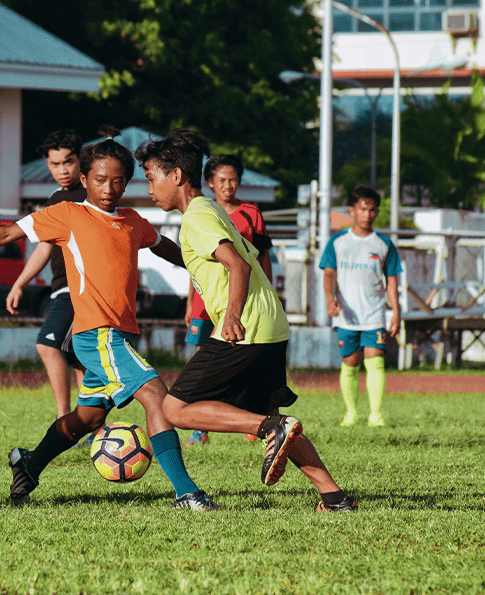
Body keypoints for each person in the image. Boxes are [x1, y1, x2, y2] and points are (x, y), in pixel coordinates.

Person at [0, 127, 219, 511]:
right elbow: (6, 234)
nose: (108, 188)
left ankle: (28, 464)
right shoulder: (68, 214)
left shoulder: (133, 221)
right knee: (156, 396)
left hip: (118, 337)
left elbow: (171, 250)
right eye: (100, 180)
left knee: (85, 419)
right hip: (97, 335)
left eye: (118, 181)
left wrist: (216, 261)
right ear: (84, 179)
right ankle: (186, 493)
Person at [137, 129, 357, 512]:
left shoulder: (196, 218)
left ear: (176, 176)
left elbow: (236, 264)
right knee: (276, 420)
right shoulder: (212, 210)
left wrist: (232, 317)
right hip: (271, 324)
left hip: (245, 327)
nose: (150, 188)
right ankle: (333, 497)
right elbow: (233, 256)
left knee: (174, 408)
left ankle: (268, 429)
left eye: (151, 178)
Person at [183, 154, 273, 446]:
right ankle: (201, 428)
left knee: (241, 359)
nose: (228, 185)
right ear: (210, 182)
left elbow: (261, 257)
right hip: (204, 302)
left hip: (237, 301)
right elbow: (195, 265)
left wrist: (267, 292)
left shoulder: (250, 213)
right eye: (221, 180)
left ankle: (250, 416)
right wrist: (189, 304)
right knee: (201, 361)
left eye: (233, 179)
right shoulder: (202, 213)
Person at [6, 130, 87, 419]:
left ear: (80, 160)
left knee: (47, 344)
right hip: (60, 289)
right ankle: (87, 424)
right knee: (78, 359)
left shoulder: (93, 195)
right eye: (55, 164)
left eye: (68, 162)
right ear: (47, 164)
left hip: (80, 289)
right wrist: (19, 284)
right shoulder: (54, 199)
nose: (62, 170)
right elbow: (43, 247)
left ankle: (64, 420)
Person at [319, 185, 402, 428]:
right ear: (352, 210)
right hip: (346, 315)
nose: (368, 214)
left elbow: (392, 282)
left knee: (375, 361)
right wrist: (329, 298)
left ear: (377, 212)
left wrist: (395, 312)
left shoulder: (384, 244)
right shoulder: (337, 242)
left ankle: (375, 415)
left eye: (372, 210)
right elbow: (329, 275)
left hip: (375, 315)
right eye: (363, 209)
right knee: (350, 363)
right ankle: (351, 414)